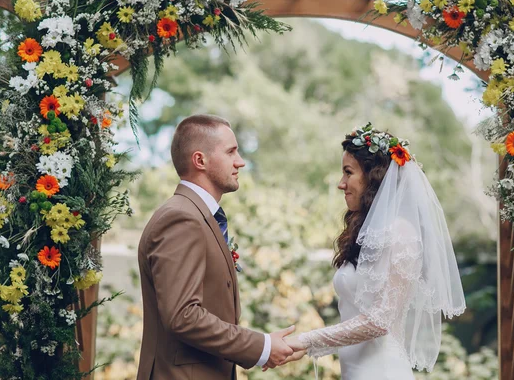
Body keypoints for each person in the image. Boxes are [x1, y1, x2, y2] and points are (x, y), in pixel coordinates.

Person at [280, 123, 466, 379]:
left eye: (348, 173)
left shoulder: (400, 233)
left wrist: (307, 339)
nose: (340, 184)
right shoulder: (366, 234)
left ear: (373, 176)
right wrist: (310, 346)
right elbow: (358, 320)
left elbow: (379, 322)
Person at [137, 114, 294, 380]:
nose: (240, 162)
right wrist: (262, 347)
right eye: (231, 151)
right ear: (200, 160)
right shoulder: (181, 218)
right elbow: (182, 316)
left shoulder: (197, 215)